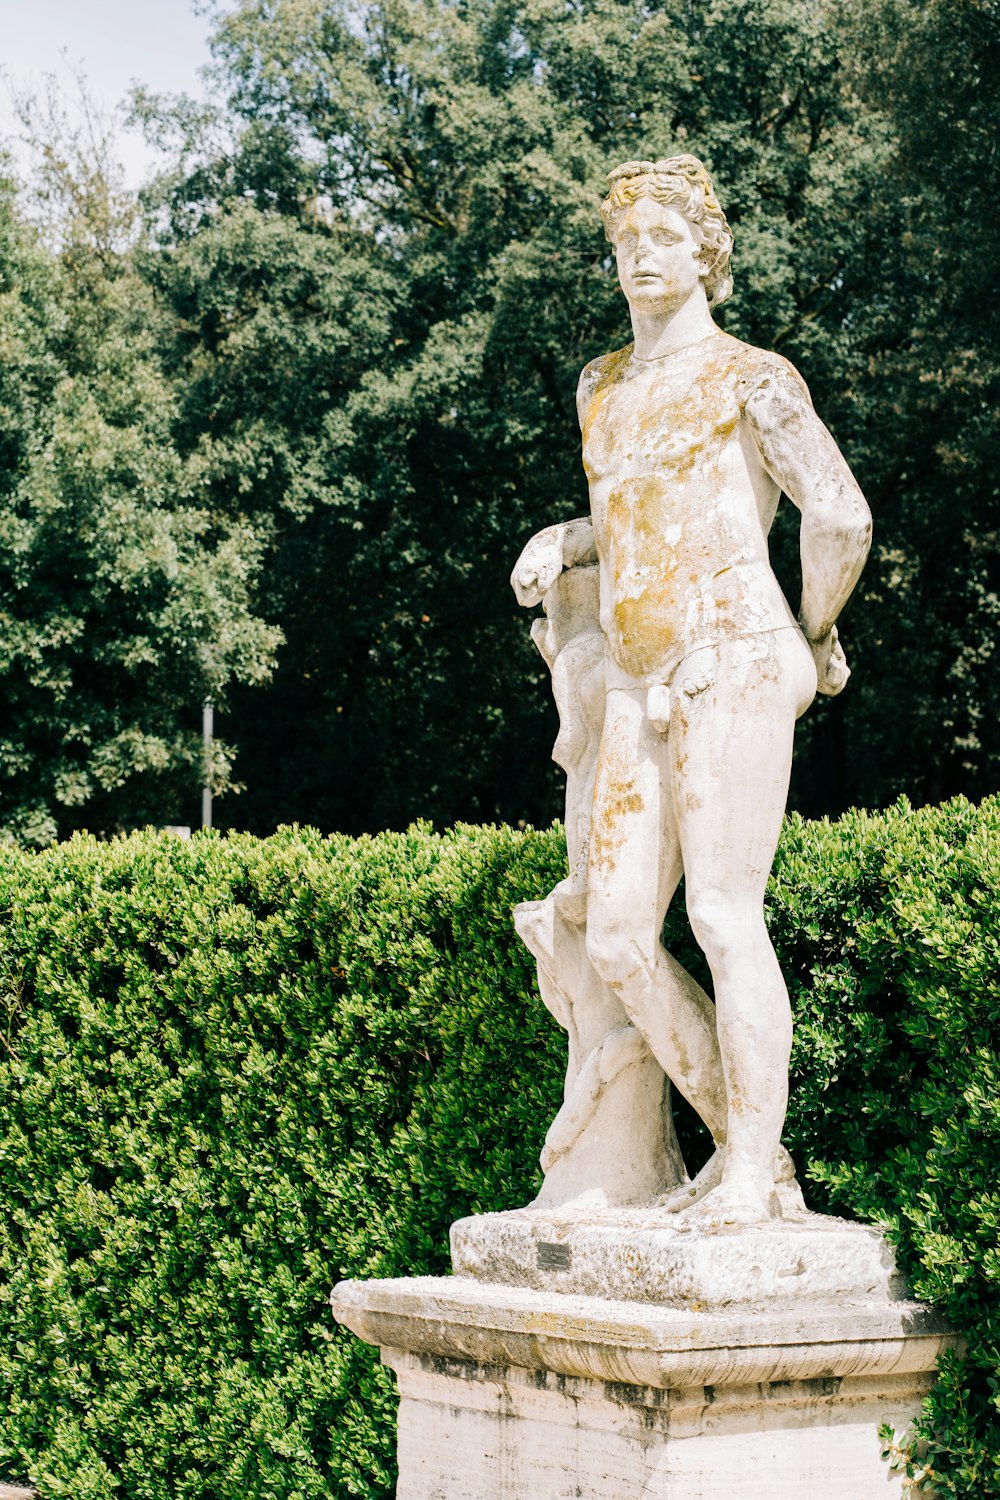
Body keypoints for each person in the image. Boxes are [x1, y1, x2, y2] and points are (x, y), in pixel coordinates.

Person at [511, 155, 872, 1225]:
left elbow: (839, 514)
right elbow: (626, 529)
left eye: (661, 237)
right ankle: (741, 1146)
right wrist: (560, 539)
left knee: (721, 912)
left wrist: (809, 637)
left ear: (705, 252)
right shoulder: (602, 386)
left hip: (733, 658)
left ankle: (755, 1172)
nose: (638, 256)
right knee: (618, 934)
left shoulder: (751, 377)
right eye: (623, 242)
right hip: (634, 677)